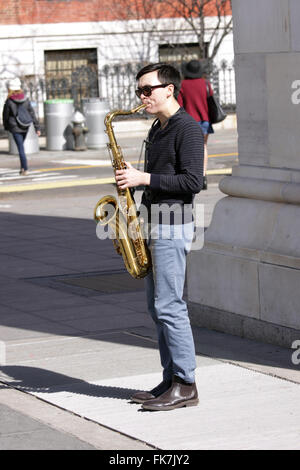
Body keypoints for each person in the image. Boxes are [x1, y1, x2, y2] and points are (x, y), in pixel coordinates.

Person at [115, 63, 204, 411]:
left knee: (170, 305)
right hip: (153, 222)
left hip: (173, 223)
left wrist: (144, 179)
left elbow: (193, 182)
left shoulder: (188, 129)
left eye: (148, 89)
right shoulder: (158, 128)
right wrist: (130, 186)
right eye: (139, 90)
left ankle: (186, 383)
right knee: (157, 307)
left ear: (169, 89)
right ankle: (170, 379)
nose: (142, 96)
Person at [177, 59, 214, 190]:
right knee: (203, 147)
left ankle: (192, 176)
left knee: (188, 149)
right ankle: (203, 177)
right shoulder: (206, 84)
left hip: (189, 121)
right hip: (205, 120)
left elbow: (179, 105)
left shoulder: (182, 85)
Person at [2, 77, 40, 176]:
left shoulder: (9, 101)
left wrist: (6, 127)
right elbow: (32, 113)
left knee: (20, 148)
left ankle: (25, 168)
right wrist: (37, 128)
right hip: (25, 126)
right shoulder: (26, 99)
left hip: (15, 127)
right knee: (21, 147)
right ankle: (23, 168)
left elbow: (5, 115)